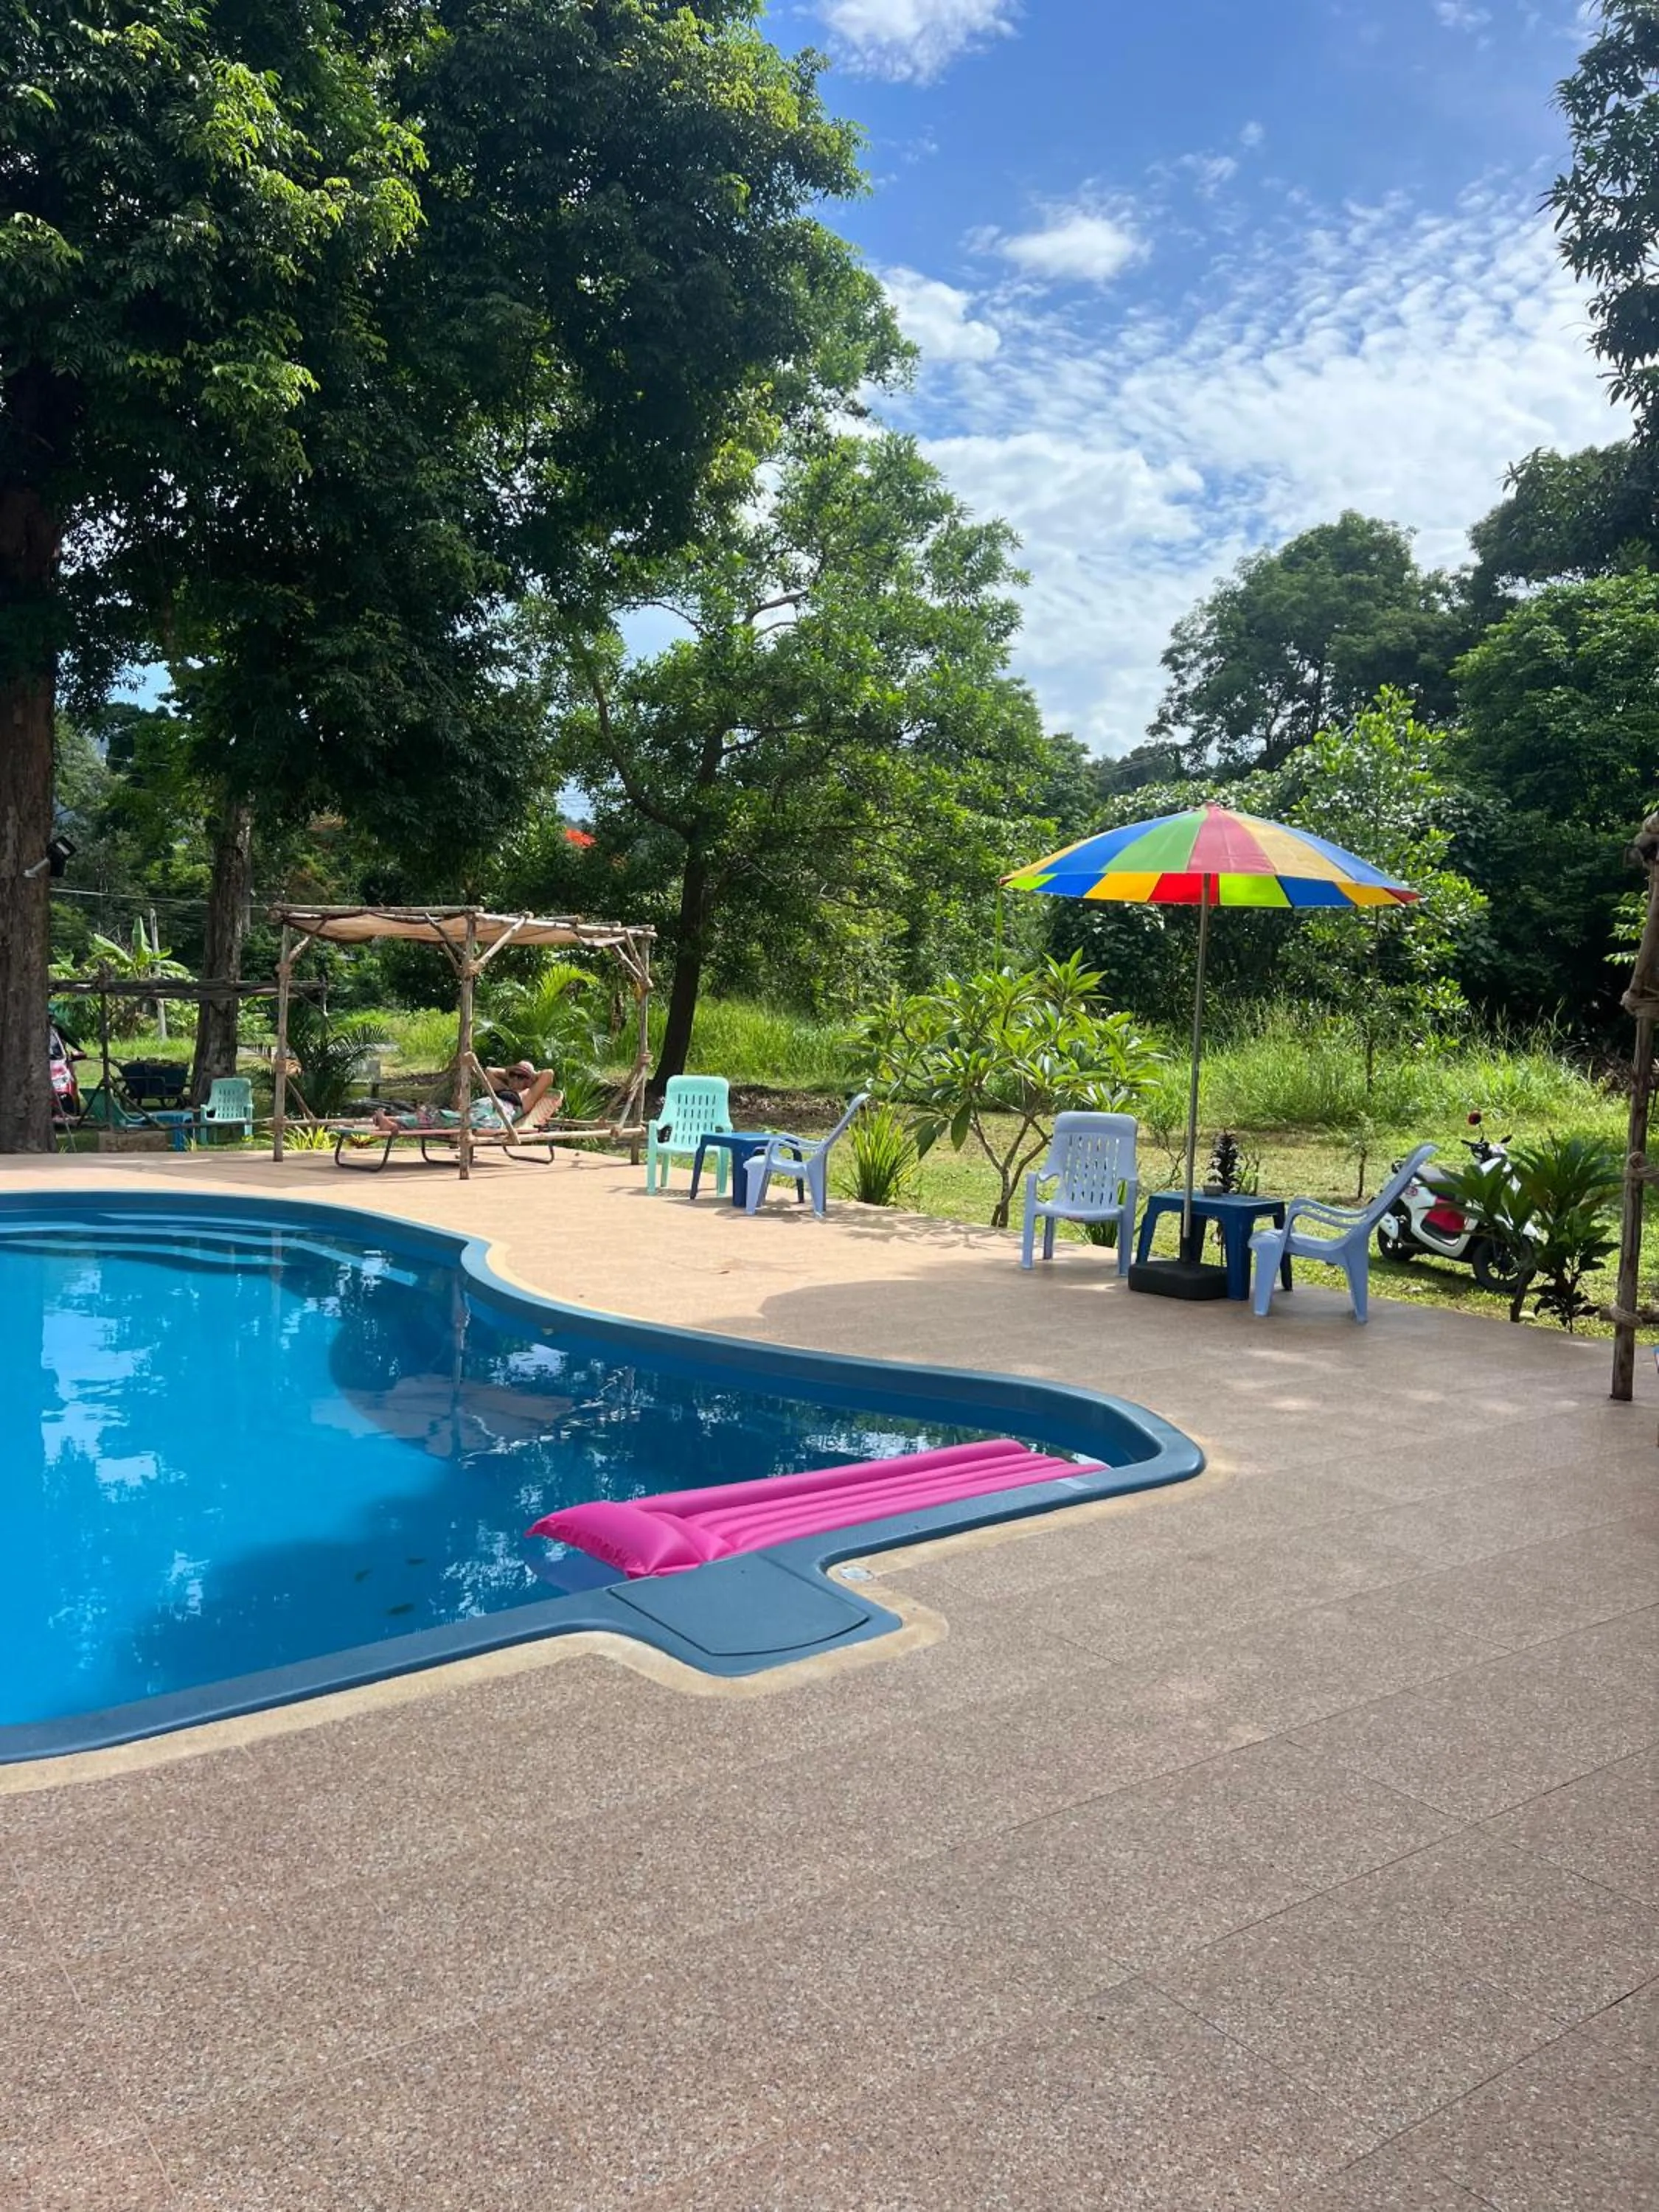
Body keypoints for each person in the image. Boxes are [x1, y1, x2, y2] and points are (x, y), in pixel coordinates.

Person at [368, 1063, 560, 1135]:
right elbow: (489, 1071)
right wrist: (510, 1073)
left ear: (530, 1081)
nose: (516, 1079)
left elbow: (549, 1074)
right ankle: (393, 1122)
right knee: (440, 1115)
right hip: (478, 1109)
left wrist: (531, 1075)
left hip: (494, 1116)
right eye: (514, 1075)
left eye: (522, 1077)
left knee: (443, 1117)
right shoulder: (502, 1088)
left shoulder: (527, 1096)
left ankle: (394, 1124)